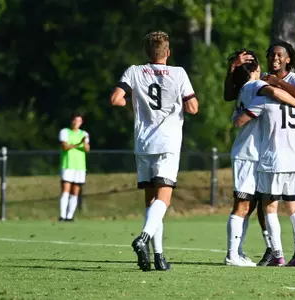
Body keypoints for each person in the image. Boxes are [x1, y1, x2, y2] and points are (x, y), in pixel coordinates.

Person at [110, 31, 198, 272]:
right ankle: (144, 238)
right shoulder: (179, 73)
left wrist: (135, 104)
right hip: (168, 143)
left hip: (143, 143)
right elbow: (193, 107)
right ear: (168, 52)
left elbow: (116, 99)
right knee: (164, 199)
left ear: (146, 53)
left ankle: (158, 257)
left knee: (151, 202)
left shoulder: (134, 71)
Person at [225, 50, 295, 267]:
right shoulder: (255, 86)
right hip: (247, 154)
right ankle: (232, 254)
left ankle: (244, 251)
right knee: (242, 205)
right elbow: (275, 93)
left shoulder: (243, 90)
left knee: (252, 206)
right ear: (255, 71)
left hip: (256, 155)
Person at [257, 40, 295, 267]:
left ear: (289, 59)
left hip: (278, 156)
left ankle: (280, 254)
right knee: (292, 206)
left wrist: (275, 83)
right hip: (290, 156)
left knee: (272, 205)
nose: (275, 58)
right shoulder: (265, 83)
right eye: (271, 55)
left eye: (280, 55)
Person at [58, 112, 90, 222]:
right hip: (68, 164)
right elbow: (65, 147)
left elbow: (87, 149)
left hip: (80, 166)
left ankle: (69, 216)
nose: (76, 123)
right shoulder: (64, 132)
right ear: (71, 121)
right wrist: (78, 143)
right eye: (75, 120)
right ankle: (62, 215)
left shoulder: (84, 134)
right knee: (66, 190)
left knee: (75, 191)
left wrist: (84, 143)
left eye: (79, 121)